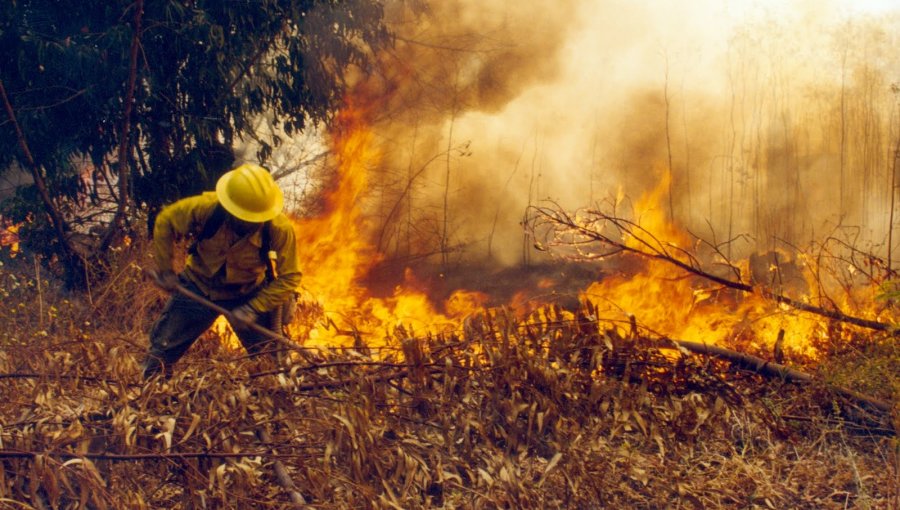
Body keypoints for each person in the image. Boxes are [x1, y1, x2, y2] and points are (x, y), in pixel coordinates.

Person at [141, 163, 302, 379]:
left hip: (248, 293)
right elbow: (165, 221)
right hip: (199, 287)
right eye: (244, 217)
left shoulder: (279, 228)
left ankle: (275, 403)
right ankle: (151, 399)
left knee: (272, 365)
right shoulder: (206, 208)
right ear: (229, 208)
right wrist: (166, 271)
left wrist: (254, 307)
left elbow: (290, 277)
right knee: (160, 354)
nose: (249, 223)